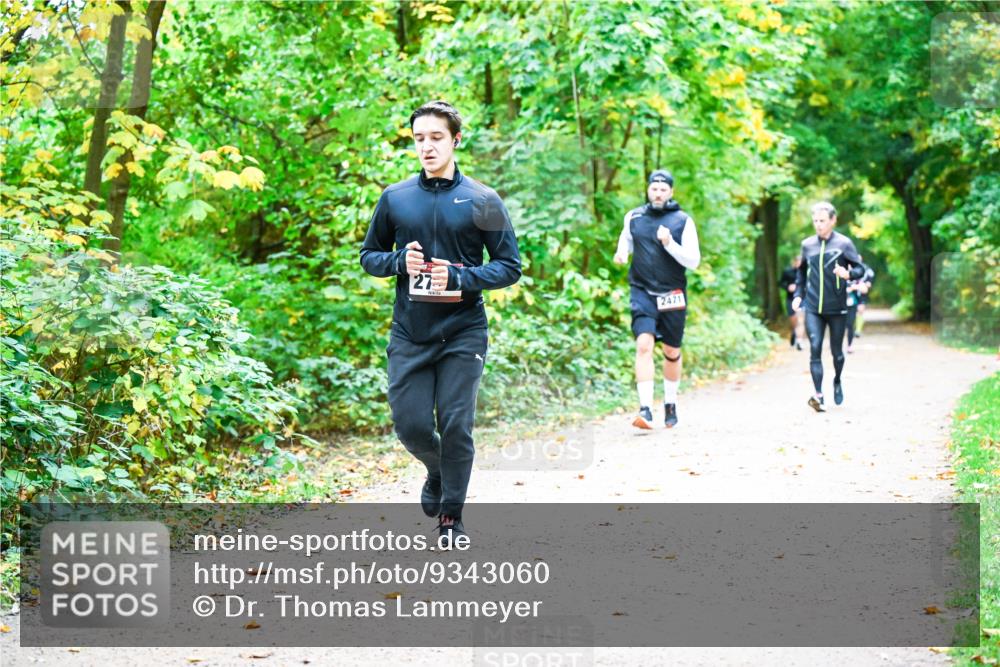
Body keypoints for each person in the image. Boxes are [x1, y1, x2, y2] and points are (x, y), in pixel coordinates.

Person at [359, 101, 521, 546]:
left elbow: (509, 266)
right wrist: (397, 262)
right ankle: (436, 468)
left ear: (455, 140)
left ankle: (452, 518)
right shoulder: (395, 198)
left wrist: (462, 276)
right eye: (418, 139)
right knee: (410, 425)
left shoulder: (484, 200)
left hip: (463, 330)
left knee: (455, 424)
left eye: (435, 138)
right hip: (411, 332)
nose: (426, 147)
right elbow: (368, 257)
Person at [614, 169, 701, 429]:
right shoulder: (634, 217)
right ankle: (645, 410)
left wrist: (669, 243)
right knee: (643, 345)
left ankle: (670, 403)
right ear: (648, 190)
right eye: (654, 188)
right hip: (642, 290)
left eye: (664, 189)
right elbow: (625, 243)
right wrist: (621, 255)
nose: (658, 193)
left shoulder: (682, 221)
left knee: (671, 351)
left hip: (672, 293)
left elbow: (693, 261)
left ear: (671, 192)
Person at [792, 202, 867, 412]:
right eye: (815, 221)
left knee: (837, 353)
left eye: (822, 221)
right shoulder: (807, 245)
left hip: (838, 308)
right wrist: (798, 296)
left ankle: (837, 380)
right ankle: (818, 395)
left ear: (833, 220)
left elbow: (861, 269)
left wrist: (848, 274)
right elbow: (800, 274)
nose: (818, 225)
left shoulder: (844, 244)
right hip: (813, 307)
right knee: (814, 347)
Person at [779, 256, 805, 350]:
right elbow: (781, 283)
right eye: (798, 262)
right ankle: (794, 332)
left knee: (801, 320)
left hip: (802, 299)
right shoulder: (787, 272)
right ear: (794, 262)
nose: (799, 264)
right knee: (794, 319)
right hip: (790, 299)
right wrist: (788, 287)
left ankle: (799, 341)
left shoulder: (805, 273)